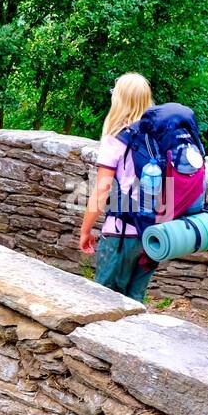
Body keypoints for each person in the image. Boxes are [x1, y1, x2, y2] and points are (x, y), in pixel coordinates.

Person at [78, 73, 160, 301]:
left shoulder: (116, 137)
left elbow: (102, 190)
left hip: (120, 233)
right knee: (135, 300)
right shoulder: (159, 137)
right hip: (153, 234)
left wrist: (85, 231)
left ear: (120, 100)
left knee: (104, 301)